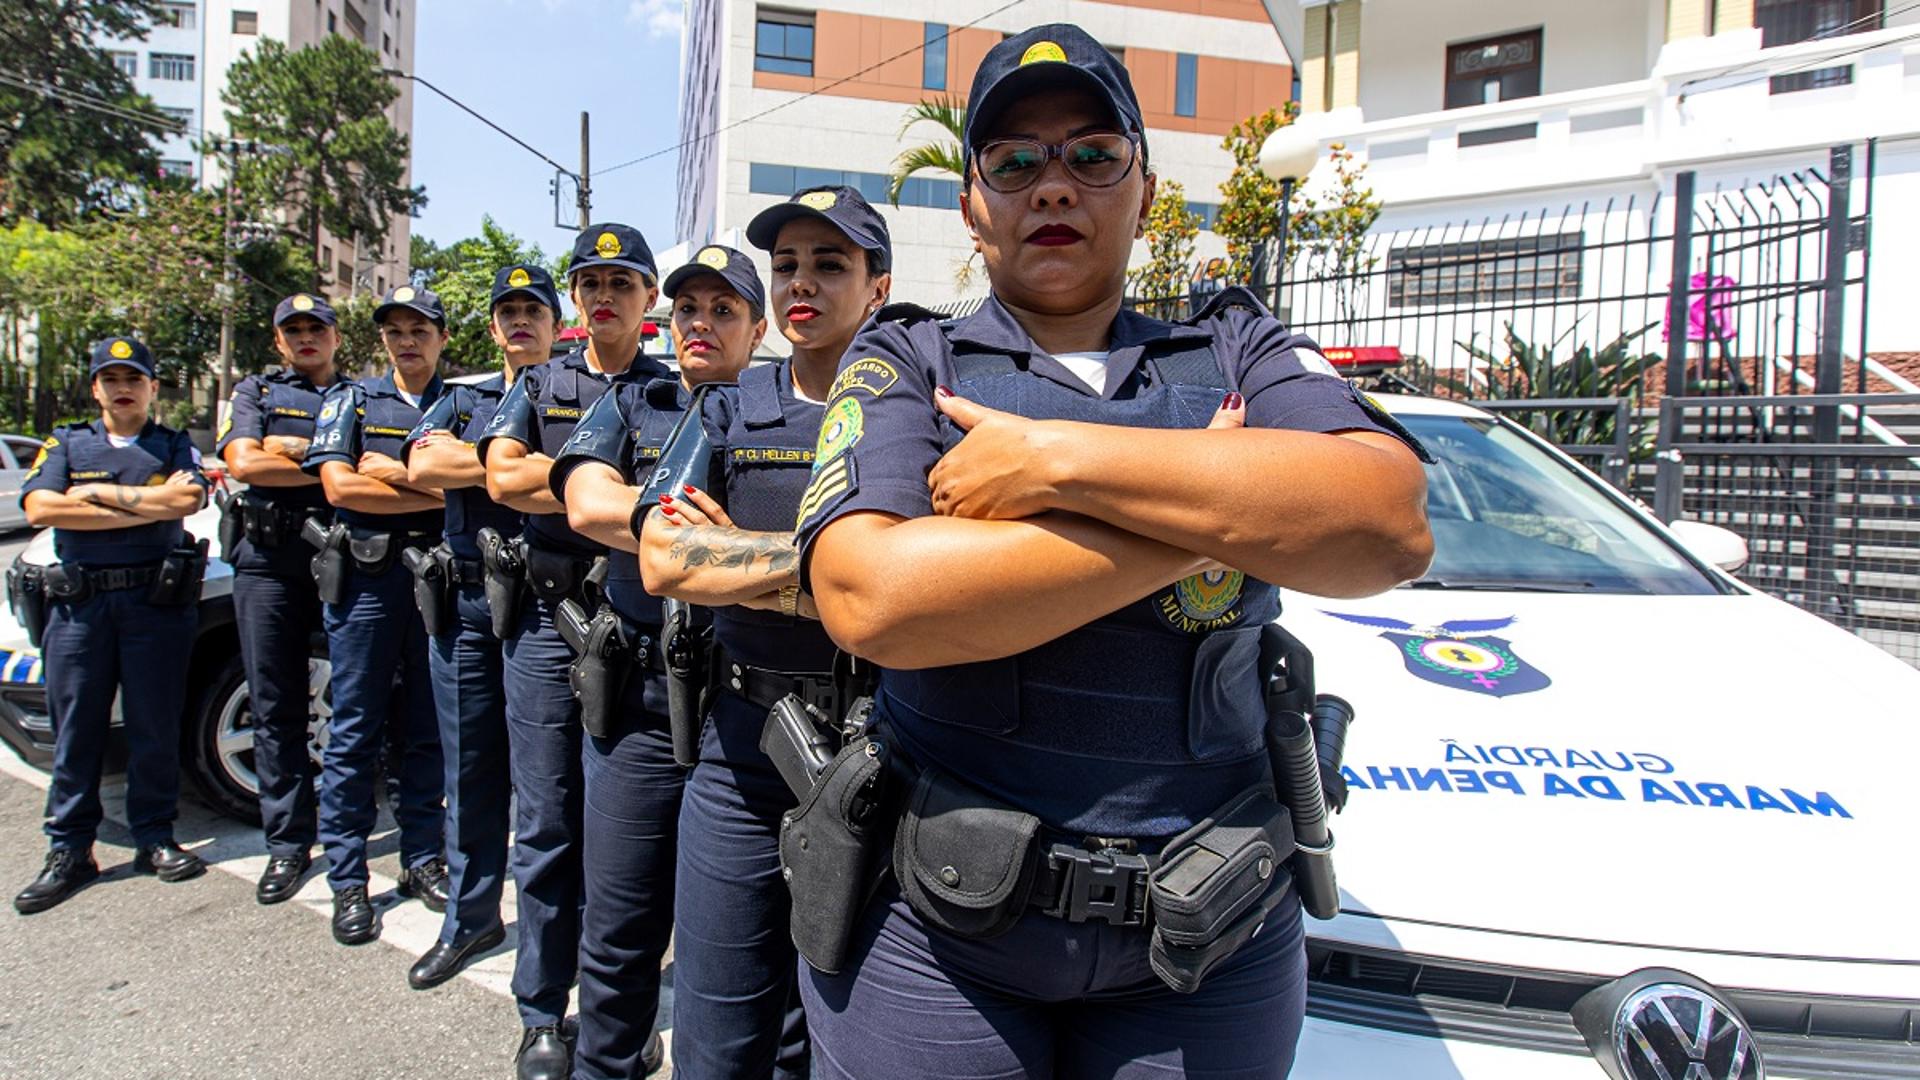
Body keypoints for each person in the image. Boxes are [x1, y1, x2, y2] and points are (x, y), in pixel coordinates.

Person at [790, 26, 1435, 1079]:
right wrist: (1209, 513)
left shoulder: (1235, 345)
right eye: (1013, 161)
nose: (1054, 186)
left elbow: (1383, 524)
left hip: (1209, 942)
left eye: (1093, 155)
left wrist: (1057, 464)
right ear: (969, 203)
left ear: (1143, 190)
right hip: (943, 936)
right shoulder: (910, 355)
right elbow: (874, 598)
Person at [633, 191, 892, 1079]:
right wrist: (842, 568)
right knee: (718, 1036)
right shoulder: (728, 409)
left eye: (830, 264)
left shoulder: (914, 409)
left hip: (883, 759)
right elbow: (665, 557)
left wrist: (741, 554)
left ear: (877, 286)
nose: (802, 284)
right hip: (743, 755)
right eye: (786, 266)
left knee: (838, 1031)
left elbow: (941, 574)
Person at [552, 244, 763, 1079]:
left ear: (757, 325)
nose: (701, 324)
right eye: (687, 310)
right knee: (618, 926)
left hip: (745, 716)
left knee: (747, 951)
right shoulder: (634, 399)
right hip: (638, 704)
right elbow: (583, 499)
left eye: (723, 310)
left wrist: (679, 540)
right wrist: (686, 532)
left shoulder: (780, 409)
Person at [475, 224, 665, 1080]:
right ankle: (542, 1011)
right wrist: (593, 482)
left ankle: (616, 1007)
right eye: (589, 283)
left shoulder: (675, 389)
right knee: (549, 822)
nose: (603, 297)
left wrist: (566, 479)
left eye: (621, 283)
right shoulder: (542, 381)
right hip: (553, 627)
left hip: (642, 635)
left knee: (628, 833)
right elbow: (500, 477)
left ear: (647, 299)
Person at [399, 265, 560, 991]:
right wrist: (513, 466)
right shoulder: (462, 399)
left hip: (550, 608)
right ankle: (470, 916)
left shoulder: (577, 397)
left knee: (547, 791)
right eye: (509, 311)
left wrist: (489, 466)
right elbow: (422, 464)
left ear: (559, 326)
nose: (521, 320)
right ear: (493, 328)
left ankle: (553, 946)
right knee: (468, 772)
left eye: (535, 309)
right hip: (465, 606)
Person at [12, 336, 210, 914]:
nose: (123, 389)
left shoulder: (171, 445)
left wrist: (96, 492)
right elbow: (42, 508)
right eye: (111, 379)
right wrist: (142, 500)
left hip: (155, 604)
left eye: (134, 379)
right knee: (77, 730)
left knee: (155, 725)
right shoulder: (68, 441)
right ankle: (70, 850)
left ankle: (155, 836)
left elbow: (186, 502)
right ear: (95, 387)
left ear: (152, 386)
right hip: (81, 607)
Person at [304, 285, 450, 947]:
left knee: (426, 729)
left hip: (437, 580)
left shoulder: (463, 404)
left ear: (442, 337)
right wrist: (426, 486)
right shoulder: (353, 399)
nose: (407, 341)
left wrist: (390, 475)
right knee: (354, 731)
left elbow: (466, 490)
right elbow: (338, 485)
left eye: (419, 329)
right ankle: (346, 877)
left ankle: (422, 857)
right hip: (366, 581)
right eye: (395, 331)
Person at [216, 293, 345, 905]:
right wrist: (326, 459)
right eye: (292, 330)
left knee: (358, 702)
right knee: (275, 705)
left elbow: (375, 470)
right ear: (278, 341)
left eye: (315, 328)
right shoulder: (256, 394)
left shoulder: (359, 396)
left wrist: (286, 451)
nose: (304, 338)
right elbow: (244, 461)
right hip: (266, 564)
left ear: (335, 336)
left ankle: (353, 835)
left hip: (341, 561)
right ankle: (288, 845)